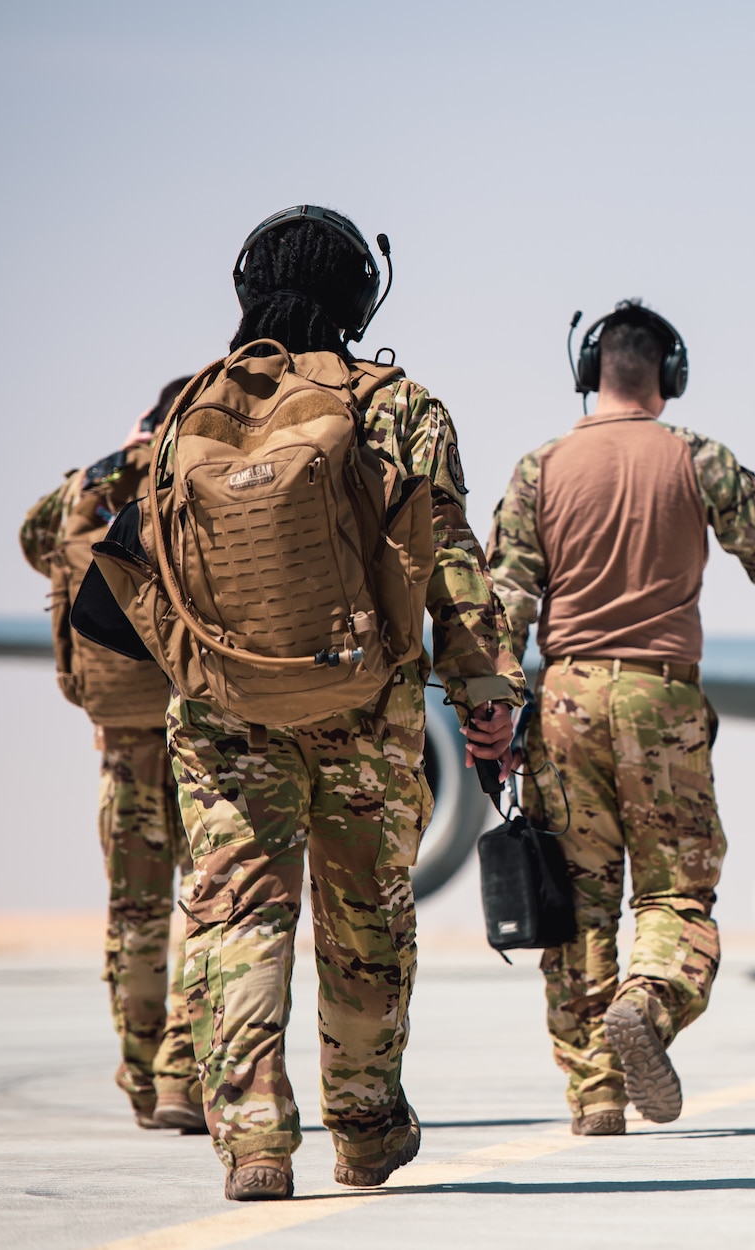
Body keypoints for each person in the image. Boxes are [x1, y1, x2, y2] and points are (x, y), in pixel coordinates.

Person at [156, 207, 525, 1200]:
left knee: (239, 913)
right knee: (364, 918)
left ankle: (255, 1136)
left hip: (225, 710)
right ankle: (363, 1125)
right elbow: (449, 555)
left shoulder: (190, 409)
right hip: (368, 706)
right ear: (363, 296)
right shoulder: (401, 407)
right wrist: (485, 692)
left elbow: (143, 575)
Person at [484, 300, 755, 1137]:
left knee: (578, 902)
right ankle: (650, 1003)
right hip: (662, 699)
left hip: (565, 699)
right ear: (669, 376)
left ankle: (595, 1094)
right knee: (674, 891)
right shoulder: (697, 457)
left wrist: (492, 715)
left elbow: (503, 605)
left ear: (592, 373)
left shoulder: (540, 467)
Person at [18, 377, 206, 1134]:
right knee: (209, 904)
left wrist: (110, 461)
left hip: (122, 741)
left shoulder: (89, 488)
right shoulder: (196, 471)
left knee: (135, 912)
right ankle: (182, 1078)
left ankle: (139, 1076)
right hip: (201, 723)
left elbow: (35, 543)